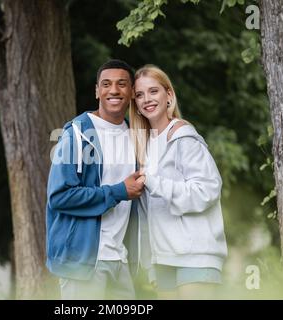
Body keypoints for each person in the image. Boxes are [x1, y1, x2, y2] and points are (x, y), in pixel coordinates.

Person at [46, 59, 144, 300]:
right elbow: (59, 196)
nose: (114, 90)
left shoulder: (136, 136)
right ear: (97, 91)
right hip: (83, 262)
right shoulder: (76, 135)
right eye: (106, 84)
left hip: (121, 260)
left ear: (132, 91)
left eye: (122, 84)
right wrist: (119, 191)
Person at [130, 65, 228, 299]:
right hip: (162, 259)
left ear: (169, 96)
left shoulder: (184, 137)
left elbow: (207, 190)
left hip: (195, 255)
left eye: (153, 91)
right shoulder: (144, 147)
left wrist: (154, 182)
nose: (147, 99)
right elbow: (147, 213)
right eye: (140, 95)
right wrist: (150, 262)